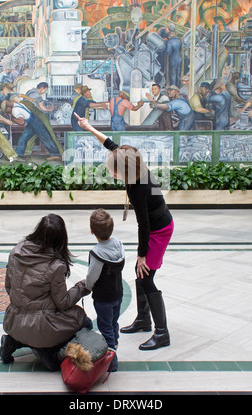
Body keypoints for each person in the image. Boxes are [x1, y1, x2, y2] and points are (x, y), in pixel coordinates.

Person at [73, 112, 174, 351]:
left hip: (160, 230)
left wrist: (141, 255)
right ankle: (142, 320)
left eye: (114, 170)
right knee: (141, 275)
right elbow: (110, 144)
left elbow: (144, 225)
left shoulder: (139, 187)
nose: (112, 172)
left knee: (145, 275)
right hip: (156, 226)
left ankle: (162, 332)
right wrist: (88, 127)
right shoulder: (132, 162)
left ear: (124, 170)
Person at [0, 214, 91, 371]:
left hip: (13, 319)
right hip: (40, 325)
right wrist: (83, 286)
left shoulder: (16, 251)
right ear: (61, 238)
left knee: (39, 322)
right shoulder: (56, 265)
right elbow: (62, 303)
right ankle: (46, 351)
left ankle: (14, 341)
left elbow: (9, 287)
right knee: (84, 321)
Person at [86, 209, 125, 371]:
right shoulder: (118, 245)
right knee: (113, 323)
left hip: (103, 299)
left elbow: (92, 277)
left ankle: (111, 362)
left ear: (92, 231)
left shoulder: (97, 254)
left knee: (105, 327)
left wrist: (88, 287)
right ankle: (114, 341)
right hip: (118, 293)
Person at [4, 94, 62, 161]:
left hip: (34, 122)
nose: (6, 112)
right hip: (32, 120)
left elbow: (22, 123)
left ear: (8, 108)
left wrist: (12, 119)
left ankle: (56, 154)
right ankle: (18, 154)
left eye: (6, 111)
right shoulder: (17, 104)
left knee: (45, 137)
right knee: (23, 137)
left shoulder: (15, 111)